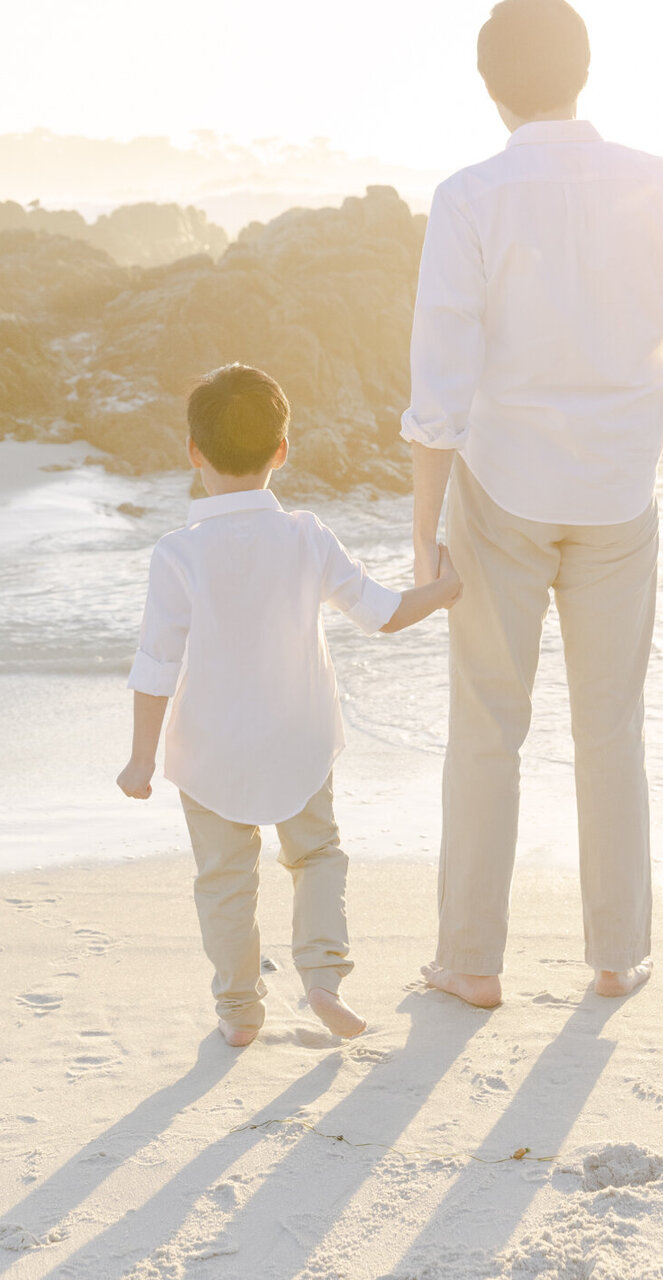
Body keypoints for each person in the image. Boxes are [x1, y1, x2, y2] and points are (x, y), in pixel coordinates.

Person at [402, 0, 663, 1007]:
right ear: (584, 69)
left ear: (491, 88)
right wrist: (631, 439)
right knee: (611, 729)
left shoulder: (469, 196)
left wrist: (424, 532)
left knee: (487, 728)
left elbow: (438, 393)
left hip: (500, 491)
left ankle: (469, 962)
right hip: (617, 500)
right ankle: (615, 954)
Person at [117, 362, 461, 1047]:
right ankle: (323, 978)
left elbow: (157, 664)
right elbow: (382, 614)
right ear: (282, 450)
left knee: (224, 880)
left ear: (193, 453)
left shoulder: (178, 554)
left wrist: (139, 760)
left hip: (211, 751)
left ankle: (240, 1011)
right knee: (317, 857)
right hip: (298, 741)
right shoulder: (305, 534)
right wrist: (448, 588)